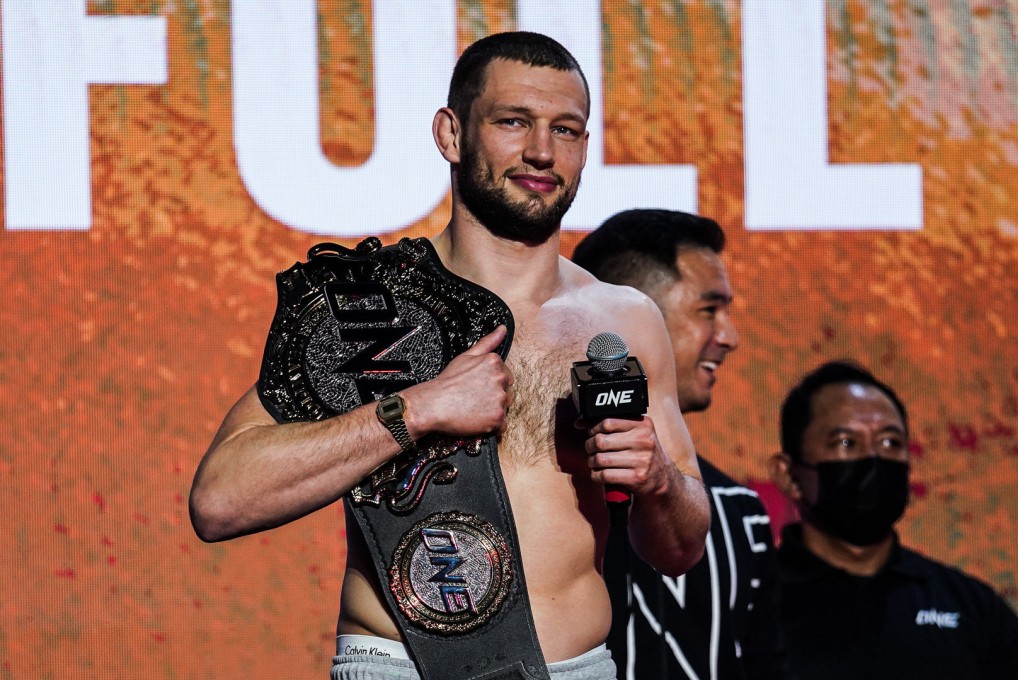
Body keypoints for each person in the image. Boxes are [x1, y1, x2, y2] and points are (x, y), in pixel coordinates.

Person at [189, 32, 710, 680]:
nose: (542, 152)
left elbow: (682, 547)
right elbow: (220, 500)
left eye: (567, 130)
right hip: (400, 667)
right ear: (450, 134)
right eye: (513, 122)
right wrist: (413, 410)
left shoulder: (626, 320)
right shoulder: (370, 307)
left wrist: (658, 478)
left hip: (576, 669)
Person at [573, 209, 793, 680]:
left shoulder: (741, 513)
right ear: (632, 316)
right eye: (708, 310)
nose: (729, 337)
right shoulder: (536, 487)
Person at [768, 360, 1018, 679]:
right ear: (788, 475)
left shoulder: (971, 608)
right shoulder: (751, 603)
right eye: (846, 443)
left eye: (890, 443)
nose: (874, 459)